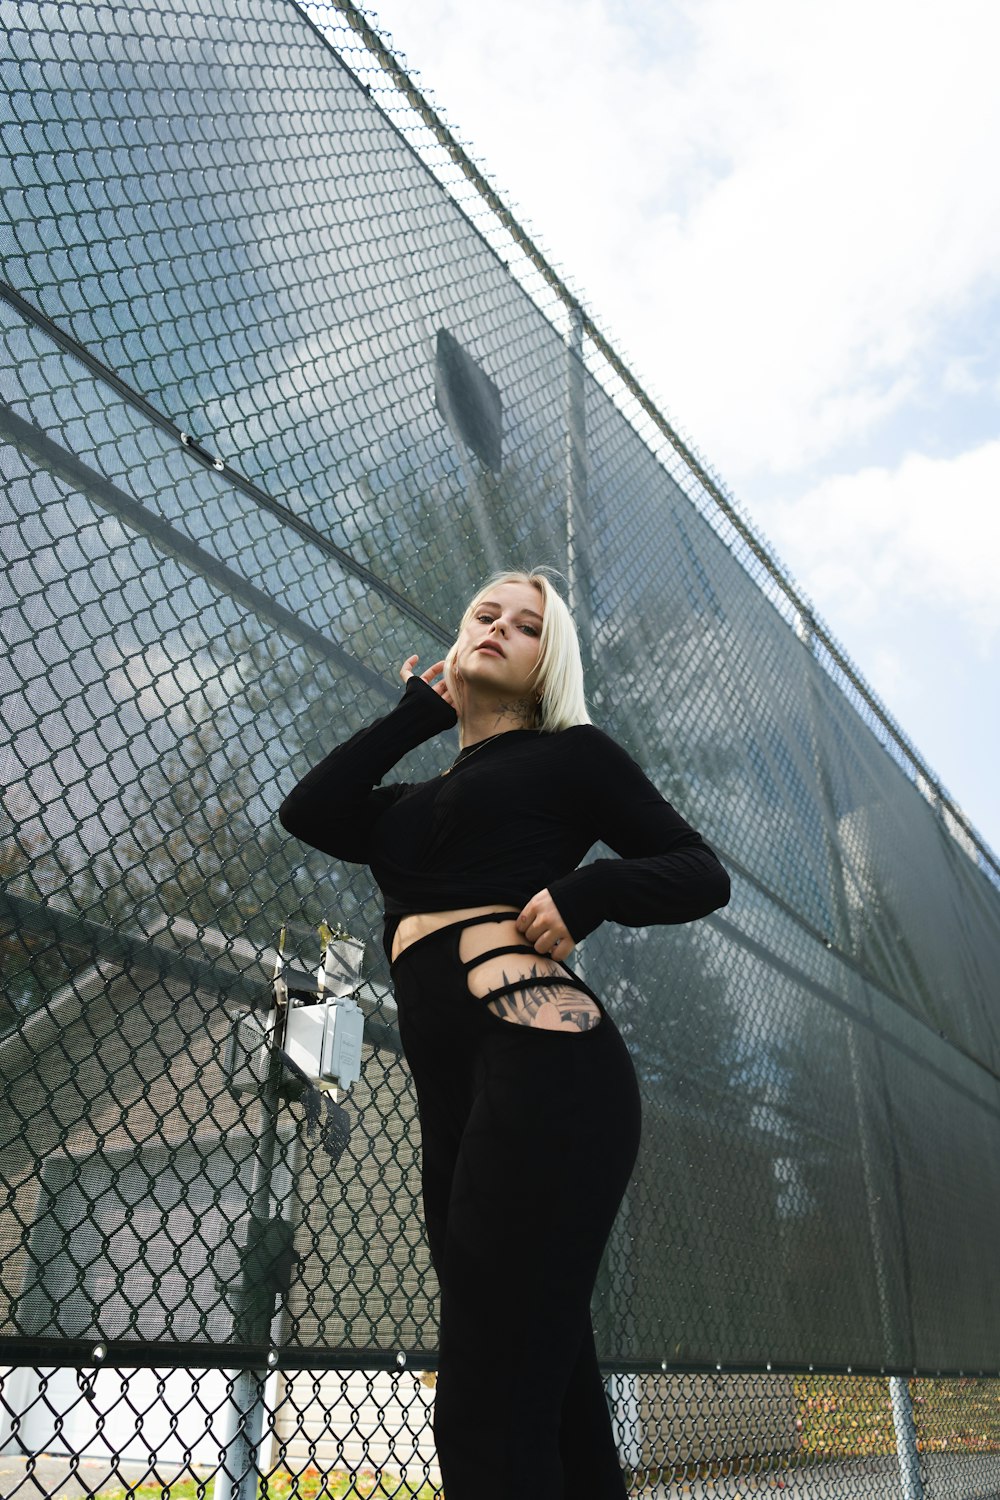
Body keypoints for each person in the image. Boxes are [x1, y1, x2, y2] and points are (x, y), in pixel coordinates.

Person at [278, 568, 730, 1500]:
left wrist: (588, 891)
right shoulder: (407, 805)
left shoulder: (573, 757)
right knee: (548, 1394)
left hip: (546, 1064)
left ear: (543, 664)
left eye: (527, 627)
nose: (500, 630)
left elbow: (698, 870)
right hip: (455, 1098)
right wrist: (417, 710)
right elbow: (310, 811)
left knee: (485, 1401)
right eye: (485, 614)